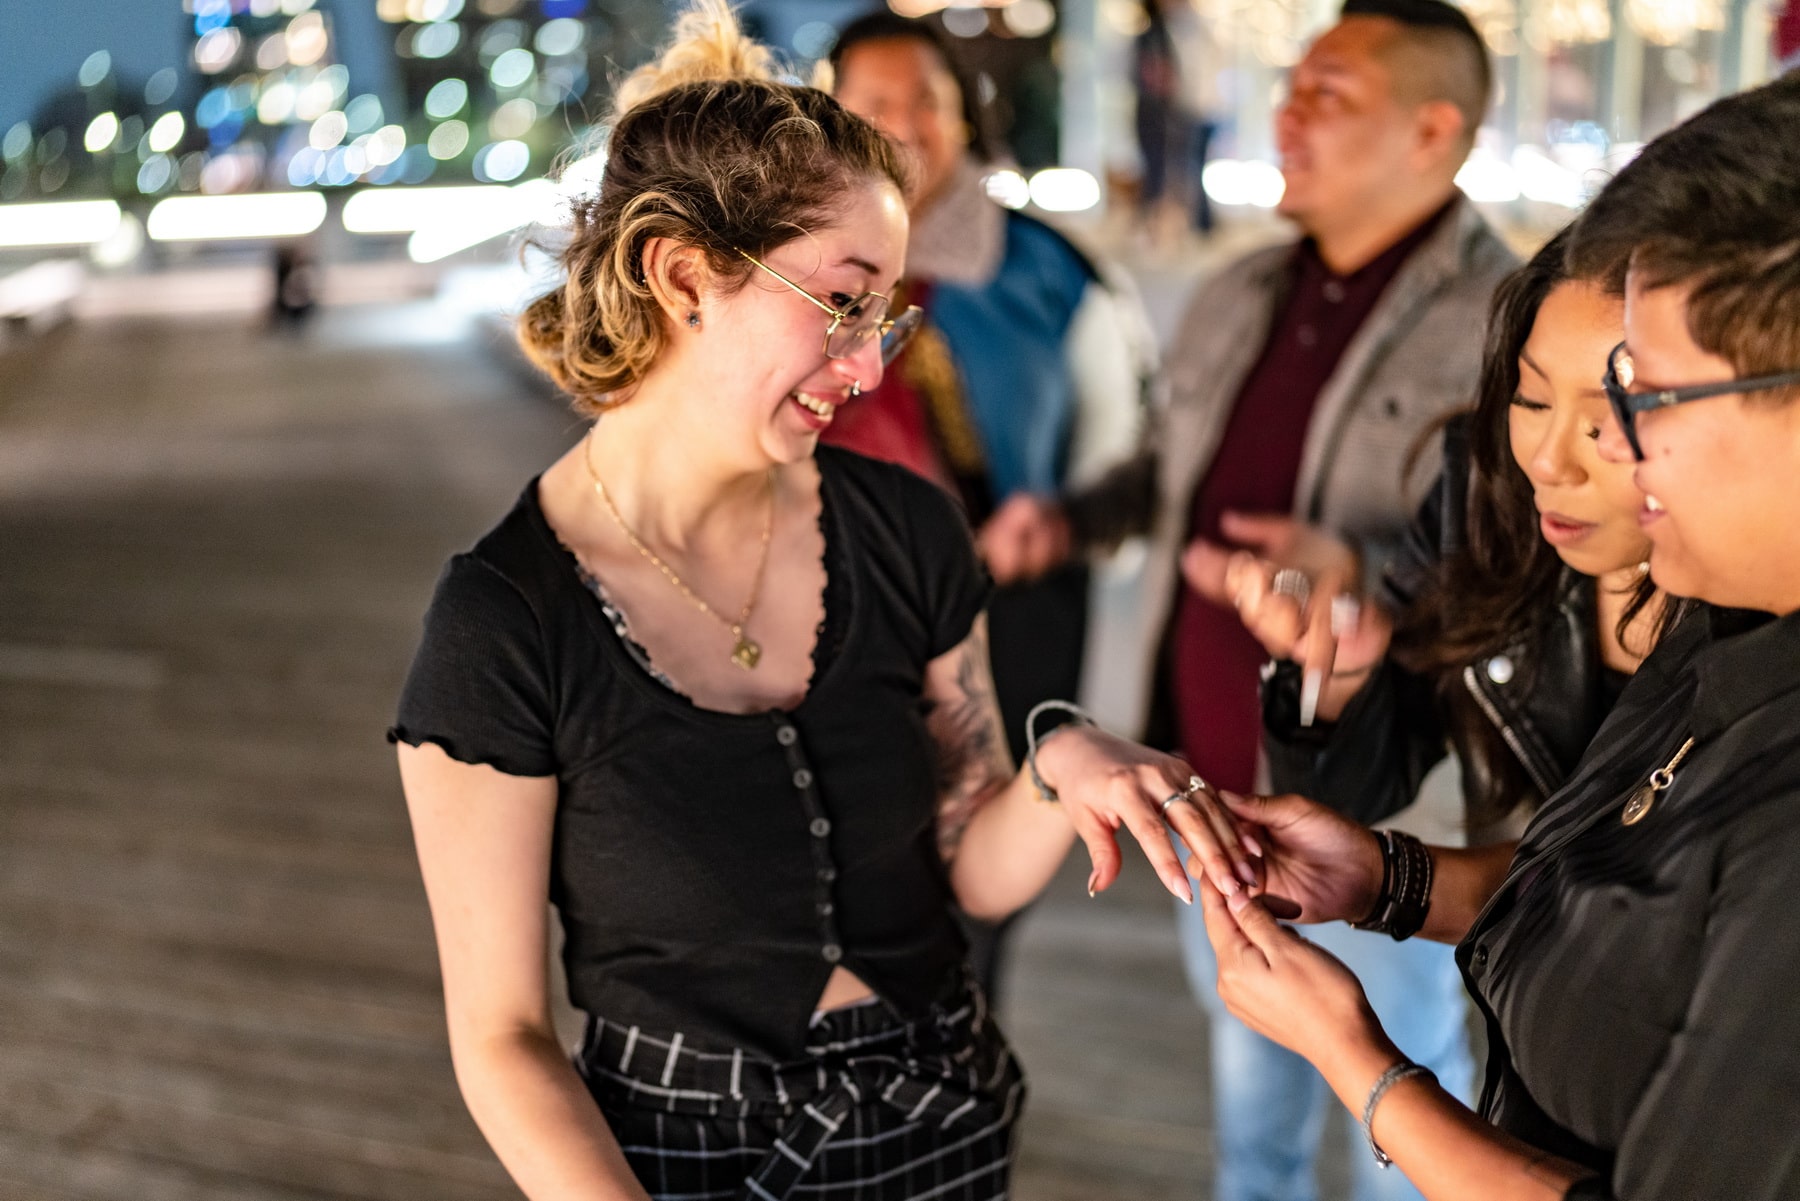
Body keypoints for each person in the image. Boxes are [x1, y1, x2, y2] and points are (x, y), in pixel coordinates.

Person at [389, 7, 1240, 1200]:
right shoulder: (505, 620)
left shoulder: (904, 527)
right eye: (845, 303)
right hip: (684, 1160)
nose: (870, 364)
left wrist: (1064, 769)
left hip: (944, 1118)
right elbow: (502, 1039)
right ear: (685, 276)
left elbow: (971, 871)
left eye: (885, 312)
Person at [1189, 72, 1800, 1201]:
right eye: (1530, 397)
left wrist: (1361, 1062)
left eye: (1644, 401)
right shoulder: (1703, 617)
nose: (1578, 459)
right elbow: (1623, 891)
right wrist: (1386, 873)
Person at [983, 2, 1513, 1197]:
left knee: (1406, 1098)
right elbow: (1170, 479)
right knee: (1254, 1086)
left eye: (1330, 94)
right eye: (1291, 86)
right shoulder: (1241, 288)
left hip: (1389, 806)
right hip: (1212, 779)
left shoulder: (1505, 322)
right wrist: (1069, 520)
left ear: (1434, 130)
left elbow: (1532, 560)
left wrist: (1358, 577)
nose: (1286, 113)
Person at [825, 10, 1157, 998]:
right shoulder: (793, 269)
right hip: (825, 621)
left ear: (964, 115)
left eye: (925, 100)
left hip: (1013, 619)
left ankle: (960, 1071)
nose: (904, 125)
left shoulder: (1051, 272)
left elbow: (1138, 454)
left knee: (983, 882)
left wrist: (1060, 521)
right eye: (873, 105)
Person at [1226, 226, 1675, 845]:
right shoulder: (1485, 494)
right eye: (1534, 400)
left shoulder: (1757, 611)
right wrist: (1339, 680)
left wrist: (1412, 892)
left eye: (1605, 423)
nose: (1547, 462)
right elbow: (1349, 795)